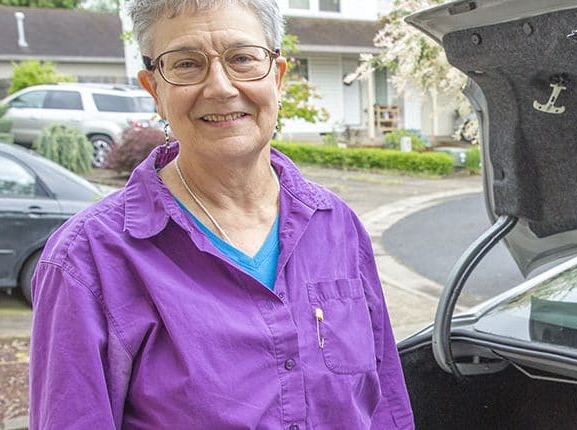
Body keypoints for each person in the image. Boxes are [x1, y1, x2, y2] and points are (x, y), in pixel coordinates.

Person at [28, 0, 414, 428]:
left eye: (242, 58)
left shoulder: (336, 225)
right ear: (155, 89)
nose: (221, 87)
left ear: (278, 77)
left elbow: (385, 404)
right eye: (187, 64)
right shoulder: (89, 260)